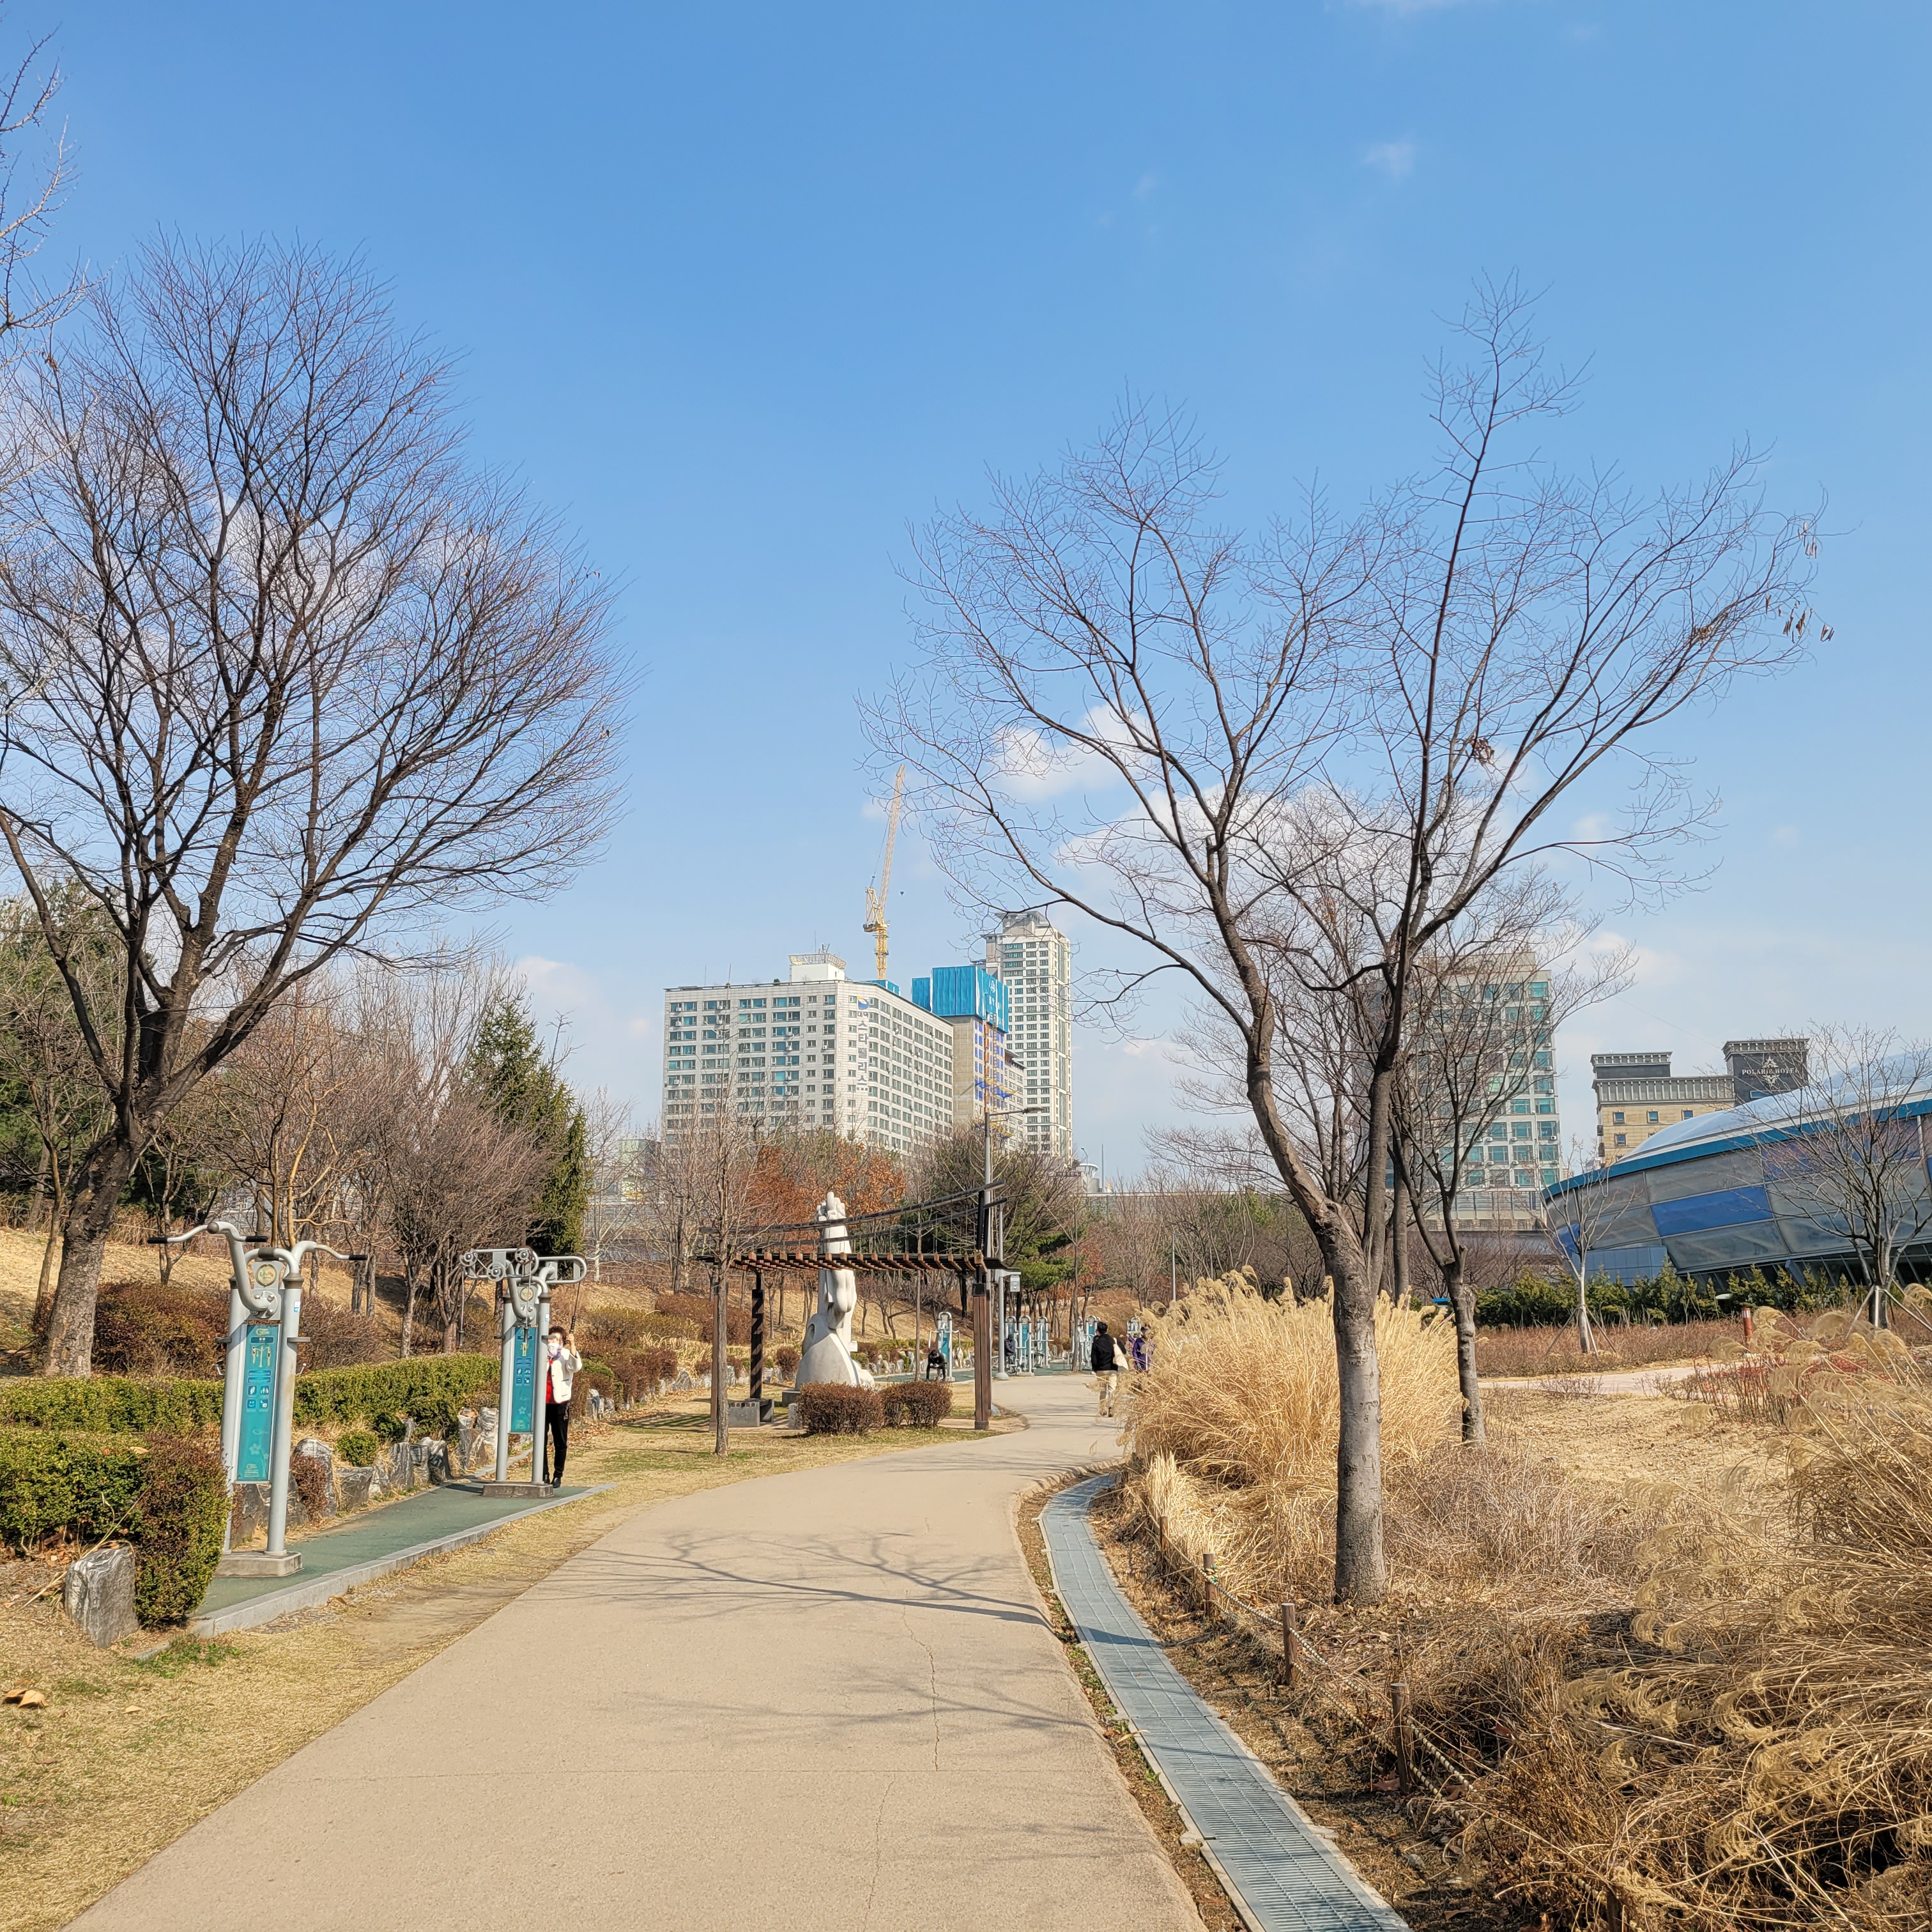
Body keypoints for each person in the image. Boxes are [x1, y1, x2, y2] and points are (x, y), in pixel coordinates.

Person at [542, 1324, 581, 1486]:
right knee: (540, 1440)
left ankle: (558, 1474)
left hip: (560, 1403)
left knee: (560, 1440)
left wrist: (573, 1345)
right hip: (542, 1403)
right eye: (551, 1338)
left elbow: (575, 1367)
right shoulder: (542, 1354)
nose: (554, 1342)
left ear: (563, 1341)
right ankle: (543, 1473)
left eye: (558, 1339)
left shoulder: (566, 1354)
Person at [1091, 1321, 1123, 1419]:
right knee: (1112, 1389)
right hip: (1112, 1369)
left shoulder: (1097, 1342)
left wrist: (1095, 1369)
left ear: (1098, 1331)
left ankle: (1103, 1409)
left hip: (1101, 1369)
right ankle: (1111, 1408)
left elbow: (1093, 1357)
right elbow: (1122, 1351)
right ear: (1107, 1330)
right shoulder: (1113, 1341)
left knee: (1103, 1390)